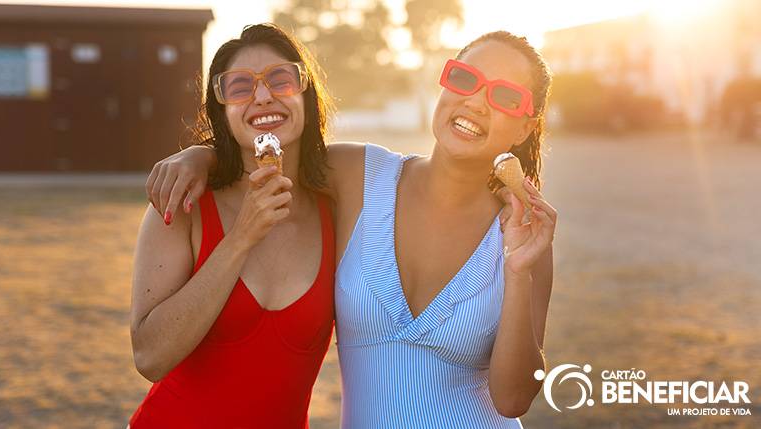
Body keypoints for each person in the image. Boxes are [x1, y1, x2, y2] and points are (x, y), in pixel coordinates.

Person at [147, 30, 556, 428]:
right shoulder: (359, 174)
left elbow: (513, 399)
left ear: (525, 127)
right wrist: (200, 156)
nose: (477, 102)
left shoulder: (524, 231)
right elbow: (278, 148)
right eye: (465, 79)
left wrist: (518, 271)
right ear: (444, 85)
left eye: (504, 96)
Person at [128, 23, 336, 428]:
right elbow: (149, 357)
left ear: (306, 93)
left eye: (281, 79)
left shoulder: (339, 202)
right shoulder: (183, 203)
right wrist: (241, 237)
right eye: (240, 87)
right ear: (223, 111)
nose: (262, 96)